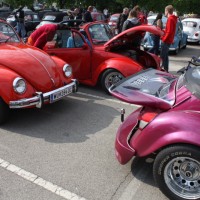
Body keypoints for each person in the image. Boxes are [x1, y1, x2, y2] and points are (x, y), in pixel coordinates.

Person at [160, 5, 177, 72]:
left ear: (167, 11)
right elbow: (169, 30)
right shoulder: (173, 18)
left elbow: (169, 31)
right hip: (169, 40)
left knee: (162, 56)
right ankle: (166, 70)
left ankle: (161, 70)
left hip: (166, 41)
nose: (164, 12)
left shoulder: (170, 19)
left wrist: (163, 39)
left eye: (165, 11)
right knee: (165, 56)